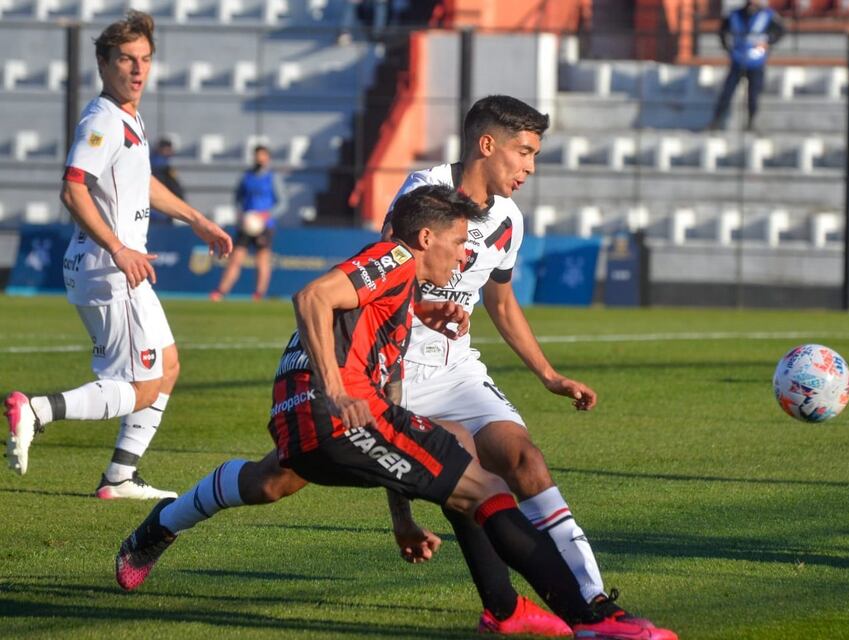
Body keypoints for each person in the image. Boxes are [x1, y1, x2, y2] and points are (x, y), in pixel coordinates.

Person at [113, 186, 674, 640]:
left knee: (284, 480)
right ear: (425, 237)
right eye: (458, 243)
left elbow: (394, 415)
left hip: (300, 420)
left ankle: (158, 526)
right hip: (331, 414)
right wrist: (335, 389)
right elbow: (311, 297)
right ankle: (591, 622)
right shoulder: (394, 257)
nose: (463, 256)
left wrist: (402, 517)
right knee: (481, 487)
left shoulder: (401, 293)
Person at [381, 95, 670, 637]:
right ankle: (503, 606)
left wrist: (549, 375)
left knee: (525, 459)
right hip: (394, 367)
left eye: (535, 155)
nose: (530, 167)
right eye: (524, 152)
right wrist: (422, 306)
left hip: (457, 370)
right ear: (486, 145)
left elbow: (502, 301)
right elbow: (382, 279)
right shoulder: (422, 192)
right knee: (460, 469)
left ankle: (595, 605)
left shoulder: (509, 219)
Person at [3, 11, 233, 498]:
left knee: (167, 365)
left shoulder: (129, 116)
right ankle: (37, 409)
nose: (137, 69)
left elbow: (140, 182)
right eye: (126, 59)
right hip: (110, 269)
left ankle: (120, 476)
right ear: (104, 63)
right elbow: (72, 188)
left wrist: (196, 219)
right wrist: (119, 247)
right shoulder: (103, 118)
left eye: (145, 59)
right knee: (138, 385)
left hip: (120, 268)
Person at [209, 144, 285, 302]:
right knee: (236, 258)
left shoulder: (273, 178)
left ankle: (259, 294)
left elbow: (282, 203)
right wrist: (241, 215)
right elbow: (237, 199)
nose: (260, 159)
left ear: (268, 158)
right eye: (257, 155)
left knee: (262, 260)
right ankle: (221, 291)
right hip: (246, 224)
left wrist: (267, 215)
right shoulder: (246, 177)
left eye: (263, 155)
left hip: (264, 226)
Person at [707, 0, 784, 132]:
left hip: (756, 62)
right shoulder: (735, 14)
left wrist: (768, 42)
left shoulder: (767, 15)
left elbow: (779, 32)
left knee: (753, 94)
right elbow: (722, 31)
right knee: (727, 93)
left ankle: (751, 123)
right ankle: (716, 121)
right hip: (738, 60)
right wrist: (728, 49)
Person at [149, 137, 183, 225]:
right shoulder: (161, 166)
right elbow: (175, 188)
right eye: (168, 150)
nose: (170, 152)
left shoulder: (161, 164)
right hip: (159, 211)